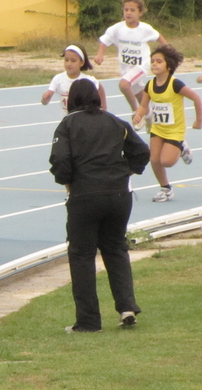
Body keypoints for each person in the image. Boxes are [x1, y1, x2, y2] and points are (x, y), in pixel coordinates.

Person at [49, 79, 150, 333]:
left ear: (71, 99)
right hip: (119, 196)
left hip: (85, 196)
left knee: (82, 255)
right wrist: (127, 171)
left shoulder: (68, 124)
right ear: (96, 97)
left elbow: (60, 159)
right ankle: (127, 307)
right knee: (116, 249)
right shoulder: (115, 121)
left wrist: (67, 180)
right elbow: (142, 151)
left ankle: (88, 321)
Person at [133, 45, 202, 202]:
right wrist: (138, 115)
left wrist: (199, 120)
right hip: (158, 128)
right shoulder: (150, 85)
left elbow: (196, 98)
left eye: (159, 61)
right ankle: (166, 188)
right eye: (152, 61)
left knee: (167, 161)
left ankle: (182, 146)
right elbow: (143, 106)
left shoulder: (175, 84)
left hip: (174, 131)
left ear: (168, 65)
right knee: (155, 159)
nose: (154, 64)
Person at [93, 0, 167, 116]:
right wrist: (100, 54)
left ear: (140, 12)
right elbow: (104, 41)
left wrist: (168, 52)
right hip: (126, 68)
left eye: (132, 10)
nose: (128, 13)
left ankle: (136, 111)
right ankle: (148, 115)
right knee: (138, 93)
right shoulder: (117, 29)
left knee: (124, 85)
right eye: (126, 10)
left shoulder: (145, 29)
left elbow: (159, 37)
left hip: (141, 65)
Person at [42, 43, 107, 113]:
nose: (69, 64)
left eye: (73, 61)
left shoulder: (88, 80)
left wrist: (104, 109)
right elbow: (45, 102)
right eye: (66, 60)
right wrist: (45, 99)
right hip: (67, 120)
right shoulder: (58, 79)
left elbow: (99, 87)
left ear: (81, 63)